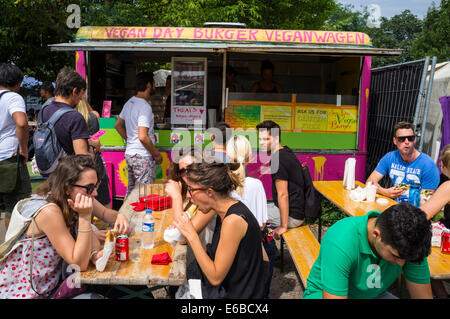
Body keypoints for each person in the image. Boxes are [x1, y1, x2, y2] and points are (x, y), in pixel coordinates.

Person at [0, 155, 129, 298]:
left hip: (58, 281)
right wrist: (85, 218)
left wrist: (119, 216)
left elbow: (105, 213)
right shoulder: (49, 212)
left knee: (125, 283)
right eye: (90, 187)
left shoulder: (77, 197)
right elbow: (79, 263)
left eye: (96, 185)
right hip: (34, 293)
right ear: (67, 187)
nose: (95, 193)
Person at [165, 156, 268, 299]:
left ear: (209, 192)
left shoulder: (233, 220)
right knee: (176, 287)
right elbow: (263, 258)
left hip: (238, 296)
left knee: (176, 288)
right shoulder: (229, 210)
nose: (189, 196)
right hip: (236, 288)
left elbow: (215, 277)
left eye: (192, 190)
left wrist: (192, 235)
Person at [303, 203, 433, 299]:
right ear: (377, 235)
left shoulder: (411, 243)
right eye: (395, 256)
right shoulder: (341, 239)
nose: (401, 264)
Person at [226, 135, 277, 299]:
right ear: (248, 158)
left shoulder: (221, 184)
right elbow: (262, 224)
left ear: (227, 157)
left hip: (230, 244)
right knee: (271, 247)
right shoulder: (256, 185)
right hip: (255, 245)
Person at [114, 72, 162, 197]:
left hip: (130, 154)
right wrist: (156, 154)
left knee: (131, 193)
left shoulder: (129, 102)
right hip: (143, 157)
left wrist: (130, 139)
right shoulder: (144, 107)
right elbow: (143, 136)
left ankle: (125, 215)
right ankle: (142, 217)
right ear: (148, 85)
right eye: (153, 83)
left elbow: (118, 125)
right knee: (145, 195)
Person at [256, 120, 305, 240]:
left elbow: (283, 194)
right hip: (295, 209)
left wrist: (283, 226)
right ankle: (269, 249)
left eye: (265, 139)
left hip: (293, 216)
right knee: (256, 209)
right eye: (260, 139)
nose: (261, 143)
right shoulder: (285, 152)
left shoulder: (278, 159)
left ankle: (268, 253)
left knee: (251, 216)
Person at [366, 121, 440, 201]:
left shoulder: (428, 165)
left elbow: (428, 197)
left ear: (414, 139)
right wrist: (385, 192)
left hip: (417, 210)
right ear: (395, 141)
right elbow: (370, 182)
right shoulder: (389, 158)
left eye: (410, 138)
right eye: (401, 139)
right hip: (395, 207)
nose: (407, 142)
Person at [0, 63, 31, 230]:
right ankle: (13, 246)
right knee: (18, 206)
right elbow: (21, 122)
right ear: (17, 82)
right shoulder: (13, 97)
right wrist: (24, 149)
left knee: (4, 207)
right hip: (9, 159)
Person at [420, 144, 450, 299]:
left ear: (443, 165)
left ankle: (440, 294)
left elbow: (422, 215)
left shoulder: (448, 186)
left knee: (419, 248)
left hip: (447, 241)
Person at [75, 98, 111, 209]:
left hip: (78, 161)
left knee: (84, 193)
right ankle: (105, 221)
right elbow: (93, 111)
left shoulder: (73, 119)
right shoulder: (94, 116)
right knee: (102, 191)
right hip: (95, 159)